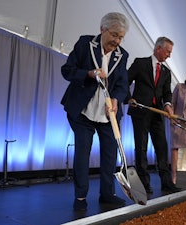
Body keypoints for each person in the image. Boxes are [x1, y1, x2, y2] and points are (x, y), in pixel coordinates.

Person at [61, 12, 129, 211]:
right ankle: (80, 197)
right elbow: (67, 70)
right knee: (83, 152)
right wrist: (89, 74)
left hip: (108, 114)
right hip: (82, 111)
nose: (117, 41)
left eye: (121, 37)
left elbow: (123, 84)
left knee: (110, 153)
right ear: (102, 29)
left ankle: (107, 194)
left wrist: (117, 99)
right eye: (114, 35)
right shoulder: (85, 44)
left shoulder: (122, 55)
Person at [126, 37, 181, 194]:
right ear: (158, 48)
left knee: (162, 147)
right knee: (141, 147)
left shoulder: (166, 72)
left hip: (157, 113)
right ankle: (143, 183)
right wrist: (128, 98)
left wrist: (168, 105)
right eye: (168, 52)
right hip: (140, 111)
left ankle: (166, 182)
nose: (169, 55)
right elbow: (125, 81)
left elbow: (166, 93)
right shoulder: (140, 63)